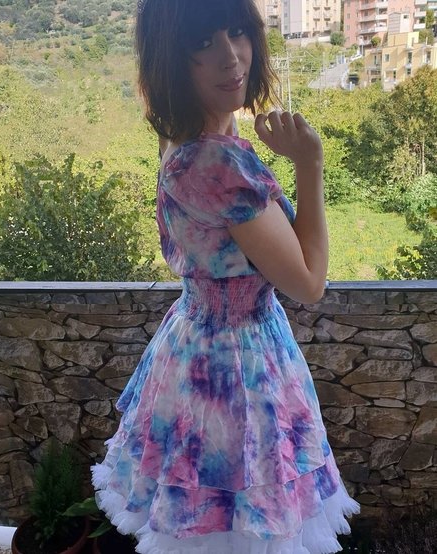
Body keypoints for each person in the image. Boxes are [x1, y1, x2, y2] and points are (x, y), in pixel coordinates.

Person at [91, 1, 360, 553]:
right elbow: (309, 283)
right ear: (171, 58)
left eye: (237, 31)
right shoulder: (217, 164)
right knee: (242, 528)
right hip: (239, 369)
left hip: (194, 344)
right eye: (202, 42)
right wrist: (309, 163)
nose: (231, 56)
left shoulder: (182, 137)